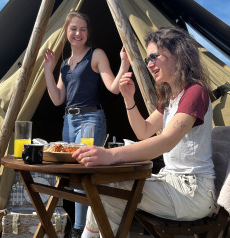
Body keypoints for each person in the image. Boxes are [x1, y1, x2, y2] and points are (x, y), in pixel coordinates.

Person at [72, 26, 216, 238]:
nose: (149, 64)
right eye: (147, 59)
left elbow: (166, 141)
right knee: (109, 189)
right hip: (171, 183)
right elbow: (144, 131)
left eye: (154, 57)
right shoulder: (171, 98)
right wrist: (128, 98)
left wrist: (111, 155)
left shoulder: (195, 92)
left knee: (111, 189)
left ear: (177, 54)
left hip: (193, 192)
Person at [43, 11, 130, 238]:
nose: (78, 33)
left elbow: (113, 87)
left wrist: (124, 64)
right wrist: (47, 70)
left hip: (91, 119)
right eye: (73, 29)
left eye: (82, 29)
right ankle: (83, 227)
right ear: (66, 32)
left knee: (84, 173)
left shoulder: (96, 54)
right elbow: (57, 99)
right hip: (68, 121)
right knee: (71, 174)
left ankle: (80, 230)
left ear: (88, 32)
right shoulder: (64, 64)